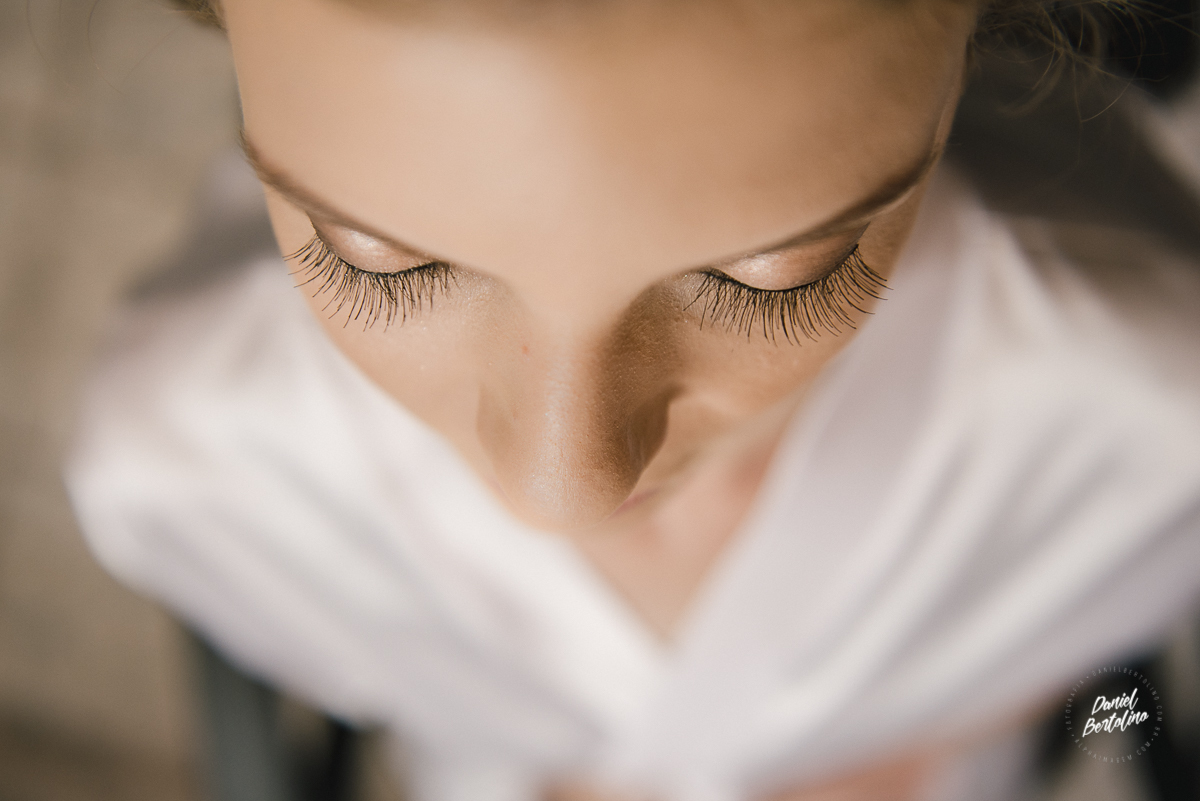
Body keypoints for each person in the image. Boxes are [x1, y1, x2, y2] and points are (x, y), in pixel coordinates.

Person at [65, 1, 1200, 800]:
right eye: (379, 262)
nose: (563, 488)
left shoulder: (1144, 431)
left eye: (771, 276)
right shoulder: (194, 473)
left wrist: (998, 728)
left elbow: (1117, 692)